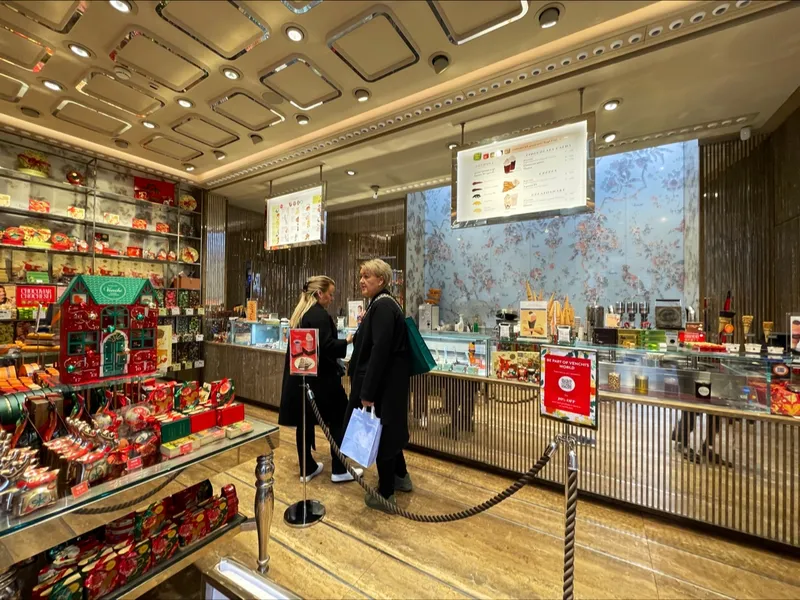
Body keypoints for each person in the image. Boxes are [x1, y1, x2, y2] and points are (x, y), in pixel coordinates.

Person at [279, 276, 362, 483]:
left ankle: (307, 468)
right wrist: (348, 341)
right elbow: (326, 346)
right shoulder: (319, 315)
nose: (332, 298)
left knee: (304, 421)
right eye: (330, 294)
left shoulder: (301, 313)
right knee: (338, 418)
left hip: (302, 378)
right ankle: (340, 468)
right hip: (322, 380)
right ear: (319, 294)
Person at [345, 259, 412, 512]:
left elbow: (379, 352)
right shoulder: (387, 303)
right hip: (390, 384)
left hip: (382, 386)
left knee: (382, 435)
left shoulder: (382, 306)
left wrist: (367, 393)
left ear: (381, 281)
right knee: (391, 432)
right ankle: (401, 477)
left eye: (367, 276)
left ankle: (385, 494)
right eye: (361, 275)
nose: (362, 281)